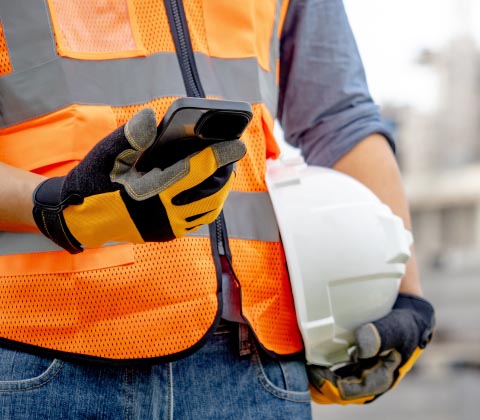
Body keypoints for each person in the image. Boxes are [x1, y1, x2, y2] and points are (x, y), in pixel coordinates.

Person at [0, 0, 434, 418]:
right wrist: (53, 205)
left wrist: (404, 291)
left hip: (253, 361)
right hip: (37, 347)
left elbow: (339, 118)